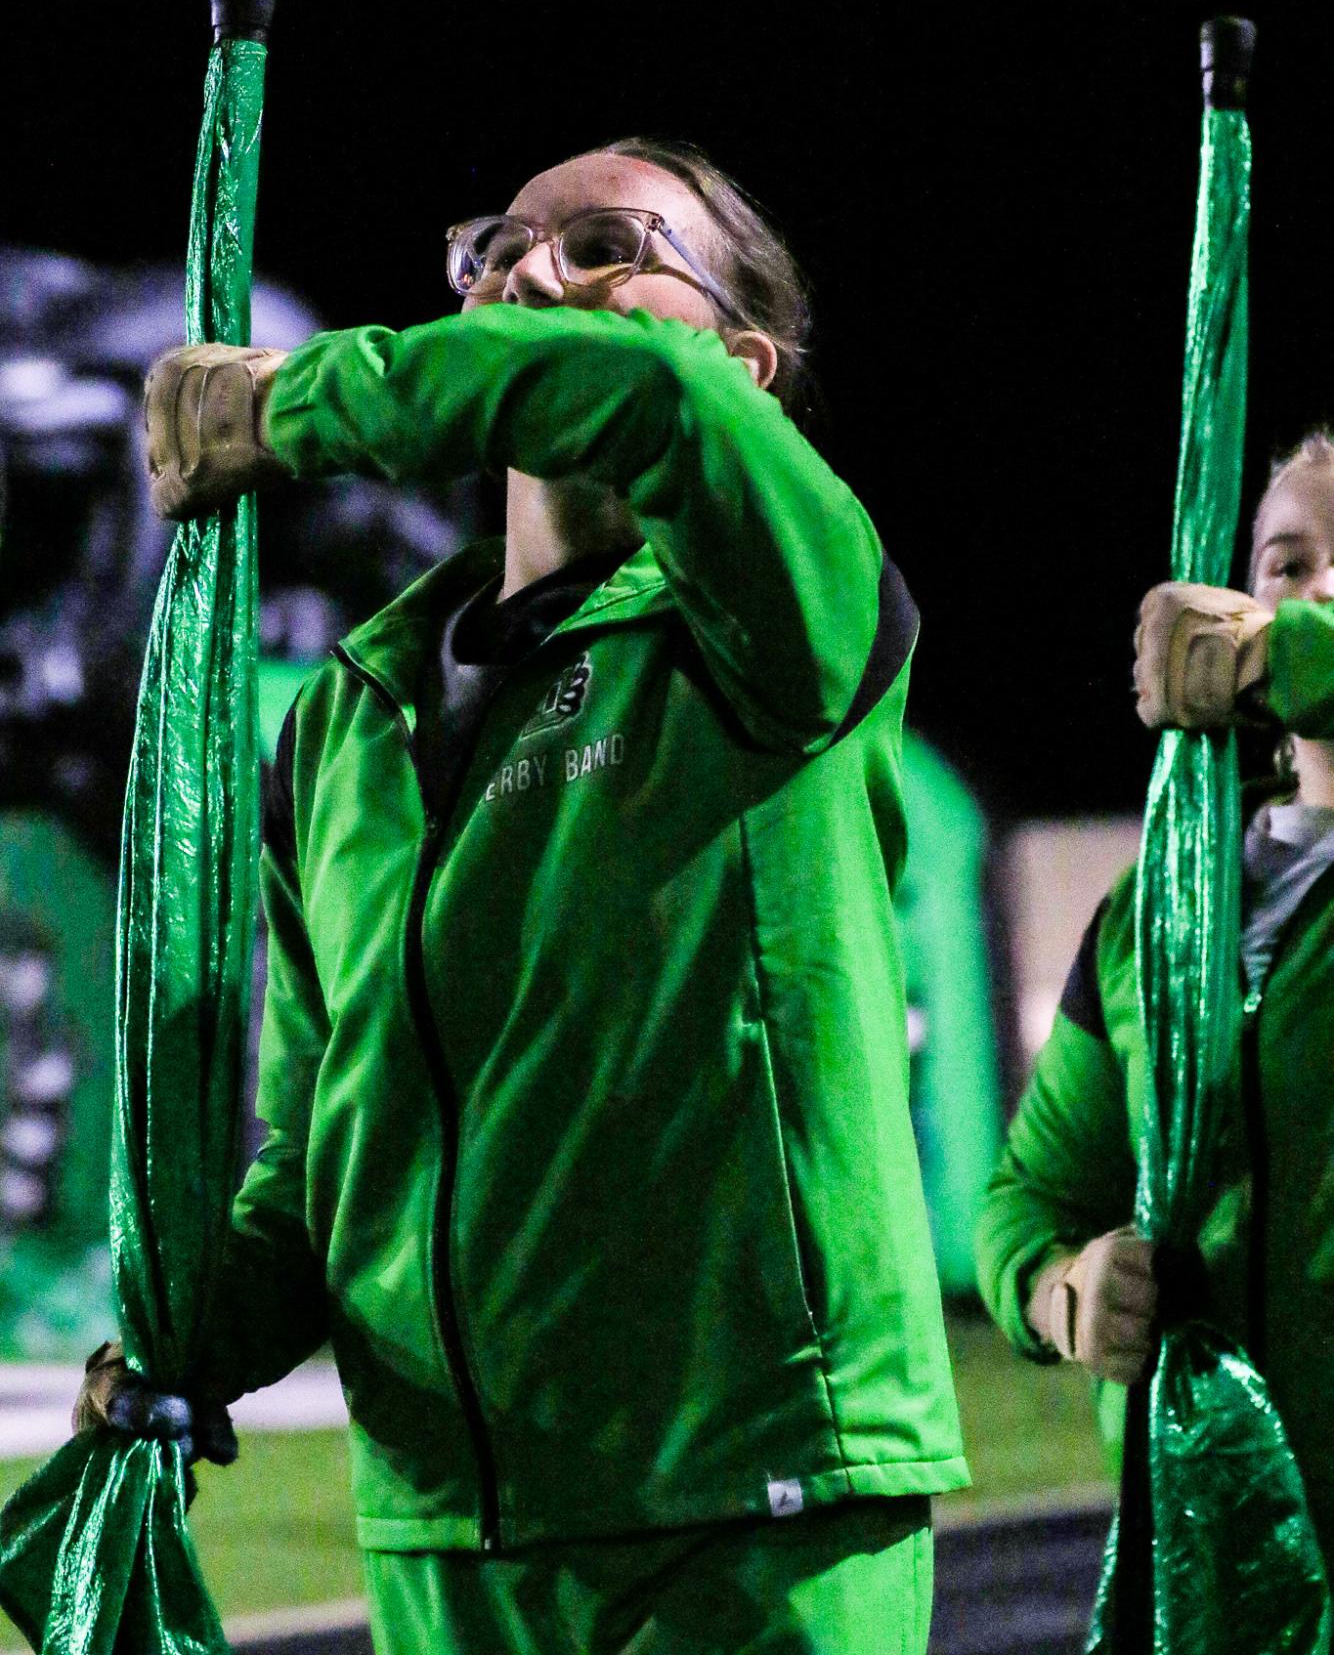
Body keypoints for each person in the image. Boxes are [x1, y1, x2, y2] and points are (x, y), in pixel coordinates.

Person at [79, 139, 967, 1653]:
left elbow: (648, 405)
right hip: (448, 1534)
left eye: (608, 246)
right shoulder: (345, 720)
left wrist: (295, 401)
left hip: (743, 1513)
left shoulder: (775, 609)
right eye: (495, 247)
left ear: (746, 363)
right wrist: (191, 1338)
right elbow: (324, 1146)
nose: (526, 274)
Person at [974, 429, 1334, 1560]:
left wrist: (1295, 655)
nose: (1312, 589)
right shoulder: (1156, 906)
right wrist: (1059, 1290)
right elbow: (1030, 1193)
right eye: (1282, 565)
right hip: (1204, 1568)